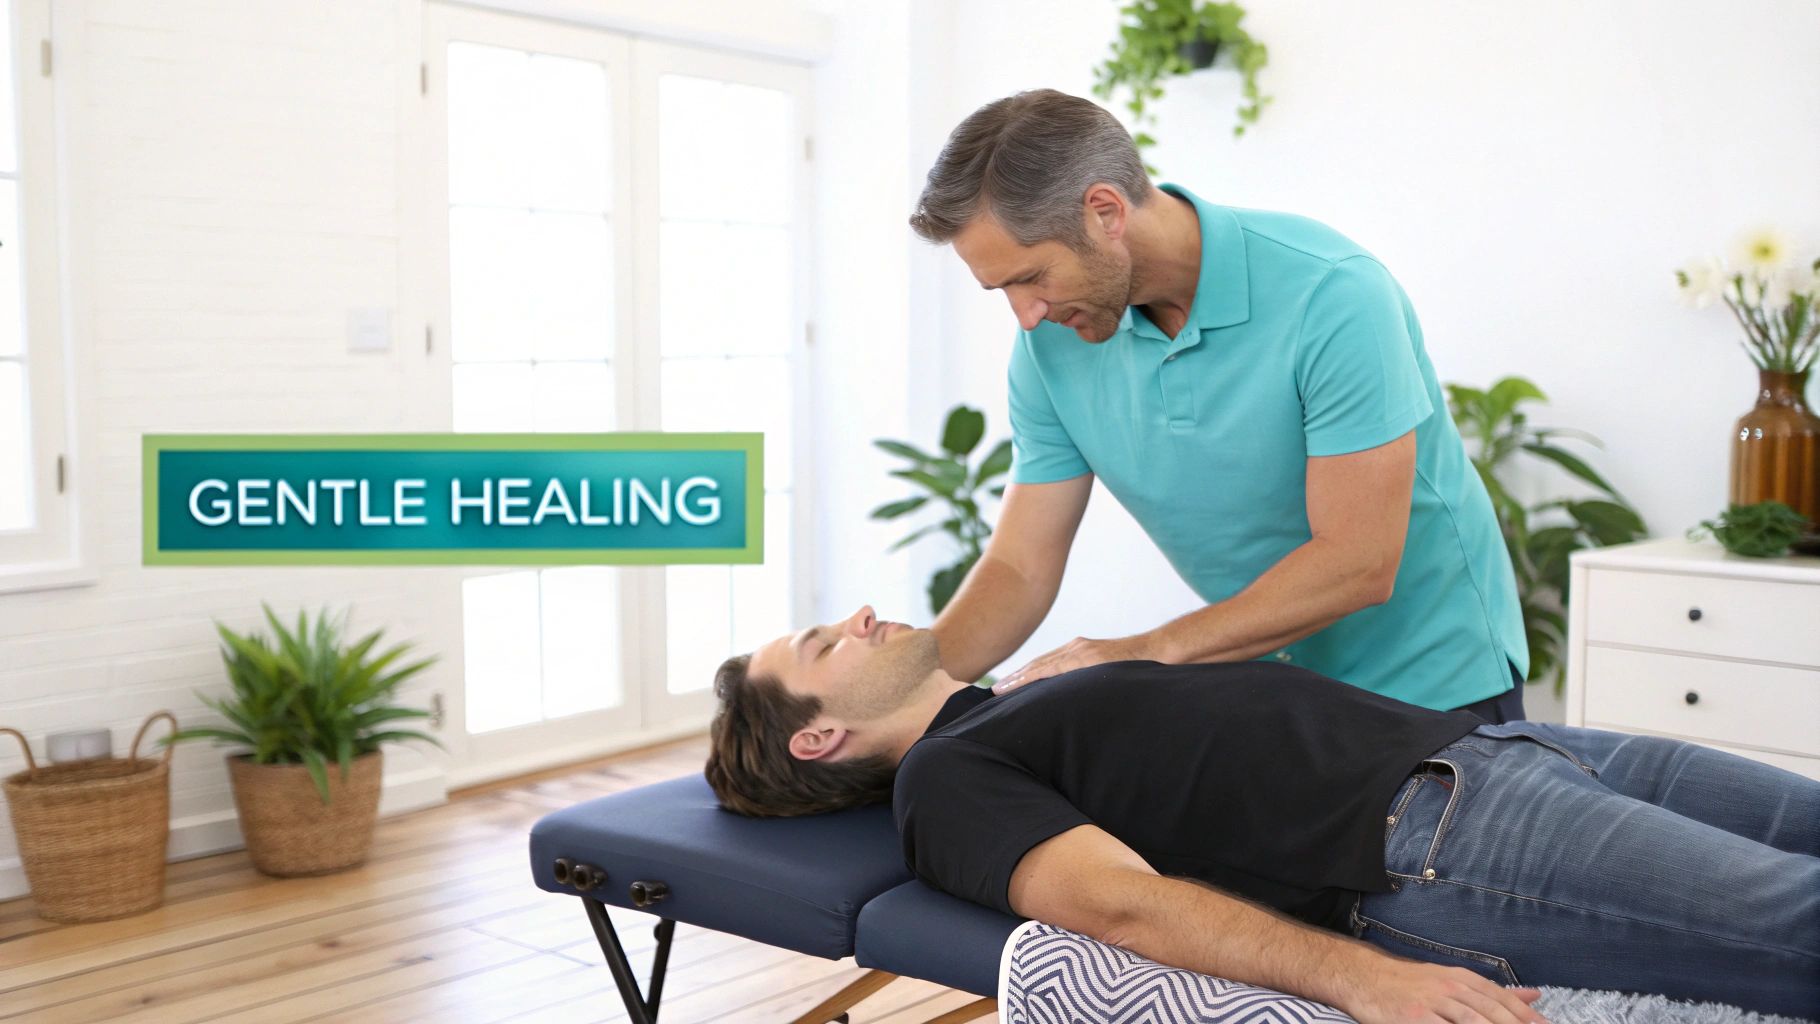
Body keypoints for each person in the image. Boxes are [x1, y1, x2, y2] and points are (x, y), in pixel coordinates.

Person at [704, 605, 1820, 1024]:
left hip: (1521, 749)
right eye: (823, 646)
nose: (854, 617)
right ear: (818, 737)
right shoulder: (938, 786)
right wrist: (1361, 979)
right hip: (1438, 839)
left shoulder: (1017, 701)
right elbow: (1121, 908)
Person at [908, 88, 1529, 723]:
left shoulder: (1333, 293)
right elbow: (1019, 565)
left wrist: (1141, 654)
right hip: (1275, 689)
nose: (1026, 315)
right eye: (1002, 289)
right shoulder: (1052, 344)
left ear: (1104, 212)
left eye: (1032, 276)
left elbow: (1358, 561)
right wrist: (891, 692)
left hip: (1436, 680)